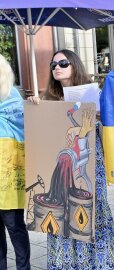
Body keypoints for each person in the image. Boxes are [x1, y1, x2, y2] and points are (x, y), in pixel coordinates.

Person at [28, 49, 114, 269]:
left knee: (92, 210)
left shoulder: (94, 95)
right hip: (61, 165)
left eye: (62, 63)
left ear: (75, 65)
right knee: (61, 212)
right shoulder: (47, 100)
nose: (57, 68)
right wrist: (34, 108)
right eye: (53, 65)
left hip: (90, 165)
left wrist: (100, 118)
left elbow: (110, 131)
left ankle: (98, 264)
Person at [0, 54, 31, 270]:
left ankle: (23, 268)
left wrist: (35, 107)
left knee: (15, 227)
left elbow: (28, 127)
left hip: (8, 176)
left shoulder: (13, 98)